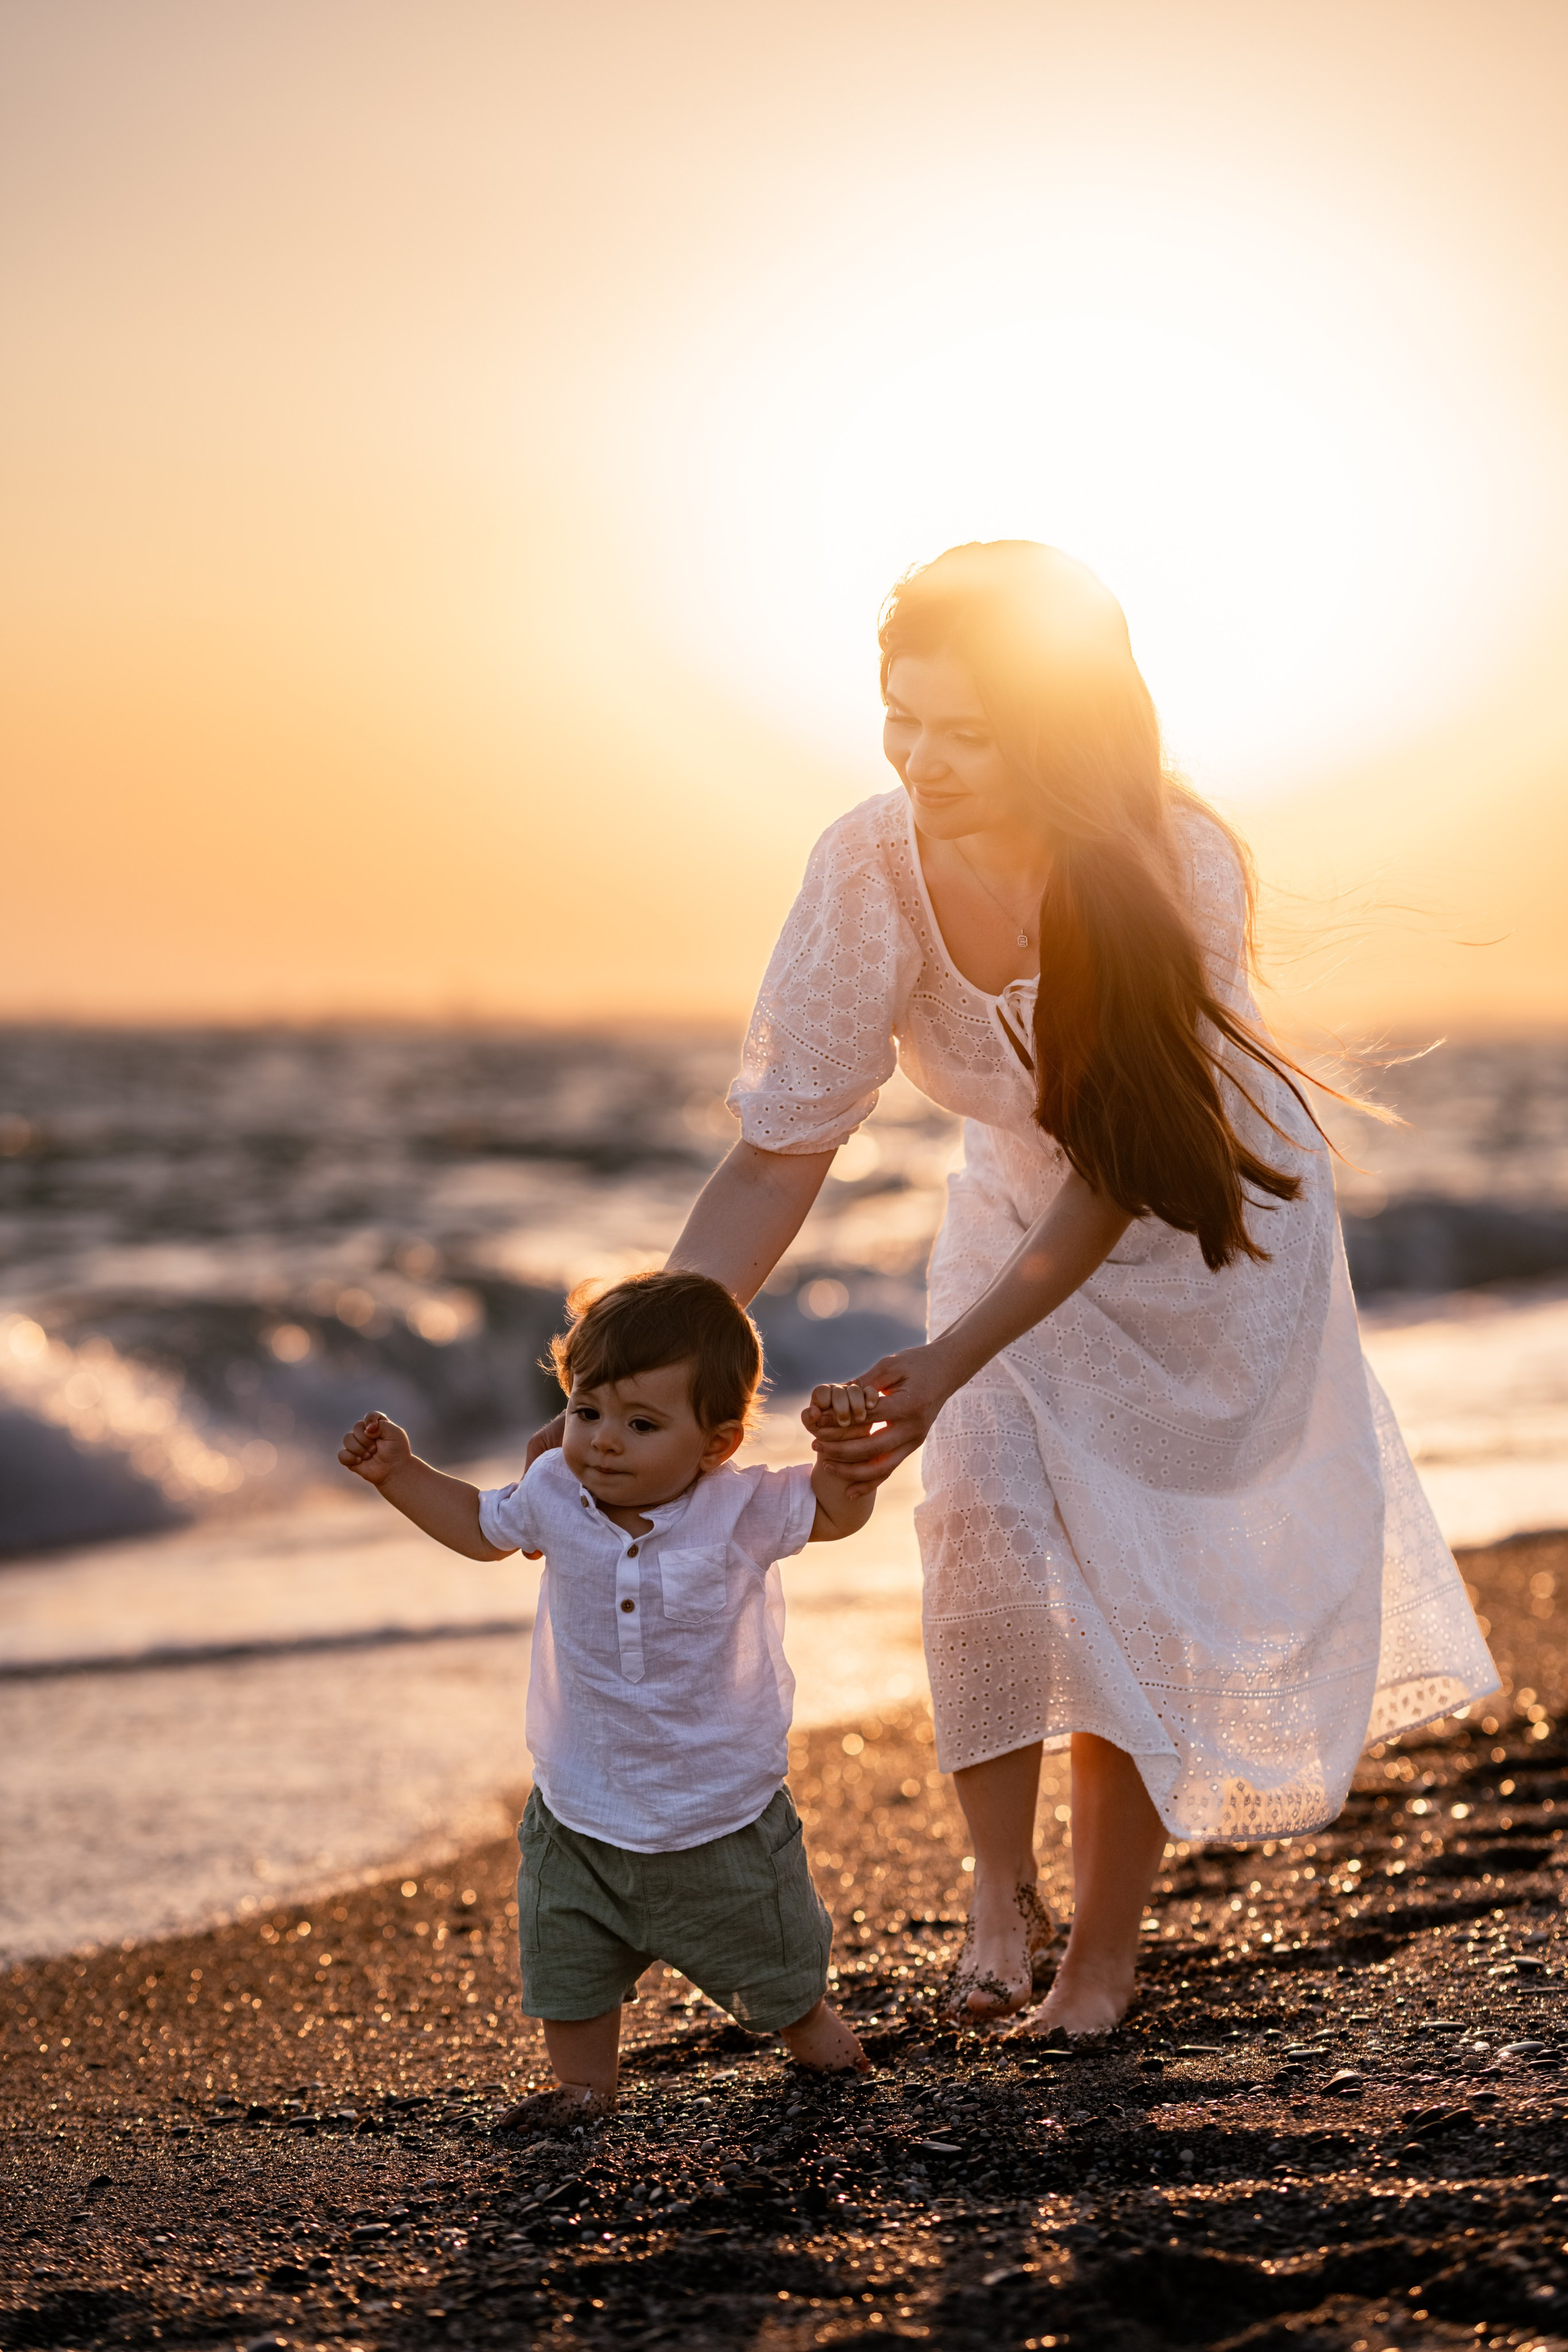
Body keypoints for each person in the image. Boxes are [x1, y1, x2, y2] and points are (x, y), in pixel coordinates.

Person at [630, 538, 1495, 2038]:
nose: (922, 760)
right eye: (901, 718)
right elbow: (778, 1155)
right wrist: (639, 1363)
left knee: (1121, 1579)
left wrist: (953, 1352)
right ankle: (995, 1894)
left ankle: (1099, 1960)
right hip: (1011, 1210)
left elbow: (1119, 1168)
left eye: (967, 732)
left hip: (1198, 1233)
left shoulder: (1166, 859)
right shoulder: (867, 866)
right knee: (975, 1516)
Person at [339, 1268, 878, 2123]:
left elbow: (839, 1513)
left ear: (715, 1443)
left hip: (719, 1812)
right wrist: (400, 1474)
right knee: (569, 1967)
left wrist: (845, 1454)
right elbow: (480, 1528)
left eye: (641, 1424)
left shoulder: (743, 1506)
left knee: (780, 1979)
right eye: (586, 1412)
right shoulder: (555, 1492)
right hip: (580, 1810)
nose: (602, 1443)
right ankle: (583, 2092)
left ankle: (834, 2061)